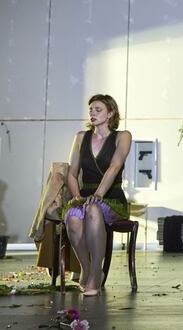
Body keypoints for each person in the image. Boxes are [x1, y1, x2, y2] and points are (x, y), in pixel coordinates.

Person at [62, 94, 132, 296]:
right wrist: (77, 196)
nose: (92, 112)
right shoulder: (80, 137)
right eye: (91, 109)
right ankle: (88, 268)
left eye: (98, 109)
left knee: (93, 208)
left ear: (110, 113)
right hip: (84, 197)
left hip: (111, 197)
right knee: (73, 216)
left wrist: (99, 194)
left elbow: (115, 166)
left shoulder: (122, 136)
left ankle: (94, 275)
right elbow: (72, 173)